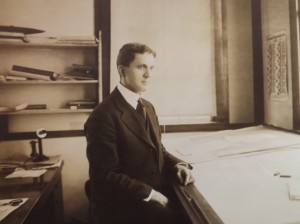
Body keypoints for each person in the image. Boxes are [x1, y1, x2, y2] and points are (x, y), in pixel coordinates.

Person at [84, 42, 194, 224]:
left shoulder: (148, 107)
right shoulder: (103, 115)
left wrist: (177, 166)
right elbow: (104, 175)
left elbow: (158, 150)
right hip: (123, 206)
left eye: (151, 68)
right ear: (122, 71)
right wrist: (151, 195)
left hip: (151, 193)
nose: (148, 75)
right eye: (141, 67)